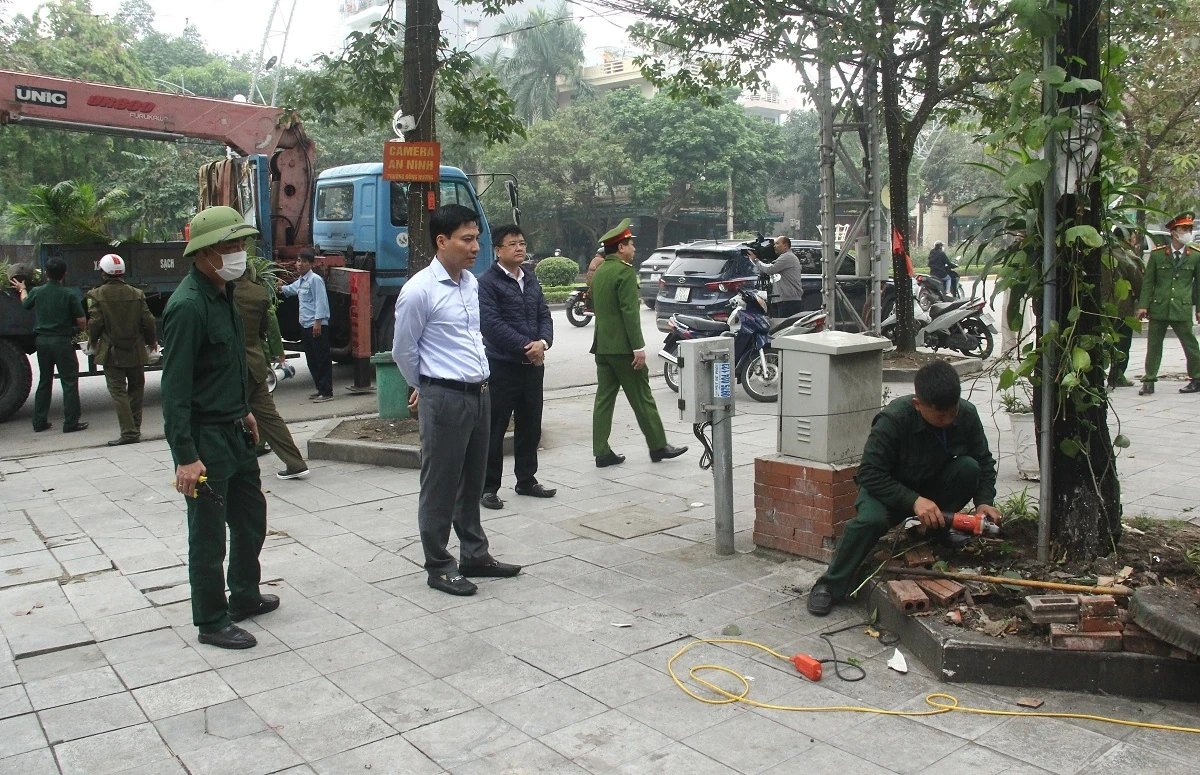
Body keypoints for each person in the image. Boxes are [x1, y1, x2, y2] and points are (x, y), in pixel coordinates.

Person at [162, 206, 277, 650]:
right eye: (230, 246)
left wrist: (244, 409)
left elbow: (226, 366)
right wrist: (185, 457)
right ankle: (211, 619)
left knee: (250, 518)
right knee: (209, 535)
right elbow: (175, 391)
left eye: (242, 244)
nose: (239, 253)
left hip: (233, 428)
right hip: (205, 438)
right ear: (204, 253)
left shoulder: (224, 292)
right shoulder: (188, 307)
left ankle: (244, 595)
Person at [392, 204, 521, 596]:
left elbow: (471, 337)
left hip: (479, 393)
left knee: (472, 481)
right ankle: (438, 565)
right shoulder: (419, 291)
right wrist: (425, 385)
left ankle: (474, 555)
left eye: (477, 238)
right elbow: (403, 350)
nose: (475, 247)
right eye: (466, 239)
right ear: (441, 241)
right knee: (440, 485)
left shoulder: (470, 284)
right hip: (445, 397)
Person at [807, 359, 999, 616]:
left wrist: (984, 501)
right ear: (918, 404)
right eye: (940, 416)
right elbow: (869, 473)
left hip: (929, 484)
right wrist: (913, 501)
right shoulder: (894, 419)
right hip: (885, 490)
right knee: (870, 521)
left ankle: (933, 532)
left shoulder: (966, 414)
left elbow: (984, 461)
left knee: (969, 468)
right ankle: (829, 585)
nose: (948, 420)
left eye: (952, 412)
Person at [590, 218, 687, 467]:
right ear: (621, 247)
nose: (634, 248)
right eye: (631, 244)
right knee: (642, 397)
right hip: (623, 349)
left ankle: (601, 451)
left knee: (603, 400)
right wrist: (638, 348)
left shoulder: (600, 272)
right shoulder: (623, 272)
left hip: (603, 347)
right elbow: (630, 314)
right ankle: (658, 446)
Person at [478, 224, 556, 510]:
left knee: (530, 425)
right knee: (495, 428)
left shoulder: (530, 278)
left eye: (522, 243)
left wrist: (543, 343)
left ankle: (526, 479)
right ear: (498, 250)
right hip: (502, 366)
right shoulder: (487, 283)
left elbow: (544, 315)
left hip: (533, 366)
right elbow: (492, 325)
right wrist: (528, 346)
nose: (520, 248)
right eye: (512, 244)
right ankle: (488, 487)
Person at [235, 266, 310, 480]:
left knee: (222, 415)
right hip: (256, 365)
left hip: (231, 367)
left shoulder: (220, 293)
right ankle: (295, 463)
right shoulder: (258, 293)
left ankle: (228, 466)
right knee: (269, 417)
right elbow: (266, 327)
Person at [86, 253, 157, 445]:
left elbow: (95, 322)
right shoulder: (137, 294)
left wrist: (92, 340)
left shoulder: (96, 295)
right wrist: (152, 341)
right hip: (135, 350)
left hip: (112, 352)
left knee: (119, 392)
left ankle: (129, 433)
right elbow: (148, 320)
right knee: (136, 389)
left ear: (103, 272)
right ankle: (135, 428)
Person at [10, 257, 88, 433]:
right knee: (69, 381)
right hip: (62, 342)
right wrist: (80, 332)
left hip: (43, 342)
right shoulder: (69, 294)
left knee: (45, 381)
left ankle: (39, 422)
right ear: (64, 274)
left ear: (46, 274)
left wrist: (22, 289)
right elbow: (82, 320)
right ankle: (71, 423)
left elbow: (25, 303)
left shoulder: (38, 291)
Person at [1138, 212, 1200, 395]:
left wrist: (1199, 309)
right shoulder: (1158, 255)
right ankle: (1149, 380)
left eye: (1189, 229)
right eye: (1184, 229)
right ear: (1174, 232)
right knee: (1154, 346)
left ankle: (1197, 378)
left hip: (1182, 307)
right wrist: (1143, 305)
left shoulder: (1195, 255)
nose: (1188, 233)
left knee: (1190, 345)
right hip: (1159, 306)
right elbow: (1148, 282)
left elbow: (1199, 285)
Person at [278, 249, 333, 402]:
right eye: (298, 261)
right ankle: (320, 389)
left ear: (311, 264)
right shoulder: (301, 281)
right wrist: (280, 287)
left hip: (316, 325)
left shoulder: (315, 280)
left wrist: (318, 322)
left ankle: (327, 392)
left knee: (322, 359)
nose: (299, 264)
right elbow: (290, 290)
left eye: (303, 261)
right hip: (305, 325)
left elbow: (321, 301)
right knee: (311, 359)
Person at [1105, 226, 1145, 389]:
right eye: (1133, 237)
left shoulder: (1102, 253)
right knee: (1122, 343)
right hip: (1122, 306)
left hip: (1101, 306)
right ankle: (1117, 376)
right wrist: (1143, 304)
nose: (1134, 241)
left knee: (1105, 341)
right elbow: (1138, 282)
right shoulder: (1127, 257)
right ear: (1128, 238)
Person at [750, 235, 804, 317]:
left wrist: (756, 260)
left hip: (788, 301)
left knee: (785, 324)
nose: (774, 246)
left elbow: (770, 269)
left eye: (777, 243)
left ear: (785, 245)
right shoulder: (786, 257)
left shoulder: (787, 257)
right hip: (786, 299)